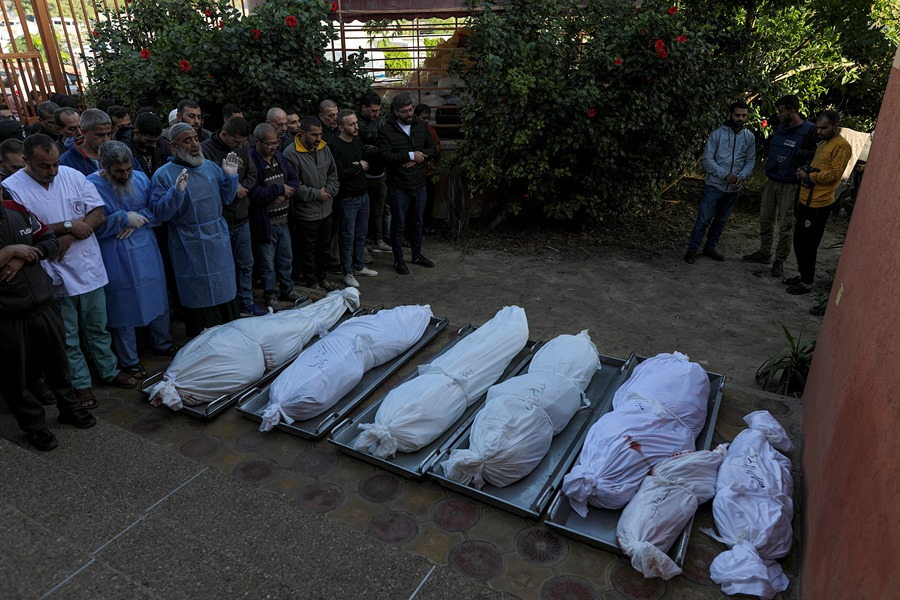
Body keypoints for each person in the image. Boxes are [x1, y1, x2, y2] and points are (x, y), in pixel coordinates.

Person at [3, 134, 139, 409]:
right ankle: (81, 385)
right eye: (44, 166)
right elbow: (28, 230)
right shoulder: (11, 188)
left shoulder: (72, 174)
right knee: (68, 337)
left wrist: (67, 236)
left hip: (89, 267)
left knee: (97, 328)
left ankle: (109, 371)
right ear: (25, 160)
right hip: (52, 271)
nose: (52, 171)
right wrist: (68, 225)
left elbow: (97, 212)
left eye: (54, 164)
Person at [0, 198, 96, 450]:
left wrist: (26, 255)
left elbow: (49, 240)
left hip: (43, 303)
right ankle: (34, 426)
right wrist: (9, 252)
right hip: (7, 315)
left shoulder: (15, 209)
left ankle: (69, 408)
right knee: (14, 376)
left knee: (58, 361)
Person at [87, 142, 186, 377]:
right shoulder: (90, 185)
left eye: (128, 169)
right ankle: (129, 359)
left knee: (157, 298)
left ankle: (162, 344)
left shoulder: (141, 179)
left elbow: (157, 212)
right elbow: (91, 226)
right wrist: (120, 219)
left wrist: (172, 195)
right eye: (118, 171)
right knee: (123, 307)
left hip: (146, 250)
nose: (125, 175)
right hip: (114, 254)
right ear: (104, 166)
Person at [150, 123, 241, 336]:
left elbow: (226, 199)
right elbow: (159, 213)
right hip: (187, 243)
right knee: (198, 296)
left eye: (196, 139)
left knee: (225, 291)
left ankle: (234, 338)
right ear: (173, 146)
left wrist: (230, 178)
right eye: (187, 140)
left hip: (218, 240)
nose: (194, 144)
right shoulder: (163, 175)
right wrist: (176, 193)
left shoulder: (210, 167)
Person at [743, 95, 818, 277]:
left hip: (791, 185)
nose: (778, 115)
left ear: (792, 111)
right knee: (765, 219)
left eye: (781, 111)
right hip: (772, 180)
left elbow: (814, 156)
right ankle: (764, 252)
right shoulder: (782, 128)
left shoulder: (810, 131)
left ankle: (780, 260)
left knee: (786, 224)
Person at [782, 110, 852, 295]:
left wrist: (809, 175)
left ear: (835, 126)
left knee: (808, 244)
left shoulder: (842, 146)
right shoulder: (822, 144)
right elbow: (819, 167)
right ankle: (803, 275)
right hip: (806, 198)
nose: (819, 131)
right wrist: (804, 171)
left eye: (824, 128)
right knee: (798, 241)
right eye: (818, 127)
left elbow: (834, 175)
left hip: (820, 203)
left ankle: (807, 282)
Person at [201, 116, 263, 316]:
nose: (239, 147)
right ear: (224, 134)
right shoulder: (206, 150)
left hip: (242, 216)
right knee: (223, 267)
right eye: (236, 142)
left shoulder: (242, 147)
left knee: (246, 264)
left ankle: (247, 302)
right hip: (221, 221)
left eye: (242, 143)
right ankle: (229, 307)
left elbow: (253, 173)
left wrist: (243, 187)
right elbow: (205, 187)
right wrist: (229, 187)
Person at [684, 101, 756, 264]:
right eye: (737, 115)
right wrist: (724, 175)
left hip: (733, 189)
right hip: (714, 186)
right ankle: (692, 250)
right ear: (730, 114)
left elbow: (750, 160)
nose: (740, 118)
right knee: (703, 219)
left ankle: (710, 247)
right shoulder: (717, 134)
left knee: (721, 221)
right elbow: (707, 160)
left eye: (744, 115)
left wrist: (742, 176)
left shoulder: (749, 137)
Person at [378, 92, 437, 274]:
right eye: (404, 111)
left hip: (419, 184)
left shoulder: (421, 126)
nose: (409, 114)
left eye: (410, 110)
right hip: (398, 186)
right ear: (395, 112)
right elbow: (385, 155)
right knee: (399, 224)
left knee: (418, 222)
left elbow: (432, 148)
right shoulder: (386, 130)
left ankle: (417, 255)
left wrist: (418, 158)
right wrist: (410, 155)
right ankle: (398, 260)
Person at [248, 123, 302, 309]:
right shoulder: (251, 161)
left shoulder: (279, 156)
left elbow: (295, 180)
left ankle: (287, 289)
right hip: (265, 223)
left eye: (276, 142)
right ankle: (270, 293)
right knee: (267, 263)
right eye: (269, 143)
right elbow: (253, 193)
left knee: (286, 258)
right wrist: (279, 190)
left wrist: (287, 192)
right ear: (257, 142)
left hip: (284, 220)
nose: (274, 147)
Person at [283, 115, 340, 291]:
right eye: (314, 135)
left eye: (320, 134)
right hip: (306, 213)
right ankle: (311, 281)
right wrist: (316, 194)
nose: (318, 138)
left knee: (324, 247)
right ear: (302, 133)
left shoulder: (325, 149)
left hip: (326, 209)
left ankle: (322, 278)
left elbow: (333, 175)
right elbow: (292, 185)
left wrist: (329, 192)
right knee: (308, 249)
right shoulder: (290, 153)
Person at [332, 109, 378, 288]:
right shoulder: (335, 146)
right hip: (347, 199)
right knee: (347, 236)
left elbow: (361, 165)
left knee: (361, 234)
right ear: (340, 127)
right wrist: (358, 167)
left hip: (363, 195)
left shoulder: (357, 142)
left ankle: (359, 265)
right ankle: (348, 272)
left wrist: (357, 166)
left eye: (356, 122)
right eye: (351, 124)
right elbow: (340, 173)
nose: (356, 126)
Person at [357, 92, 391, 253]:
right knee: (364, 212)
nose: (376, 114)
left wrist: (378, 150)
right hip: (364, 175)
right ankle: (365, 243)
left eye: (378, 111)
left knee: (379, 209)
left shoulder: (378, 122)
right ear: (363, 108)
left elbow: (385, 146)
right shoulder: (356, 124)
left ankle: (378, 239)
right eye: (373, 111)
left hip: (379, 173)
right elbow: (363, 149)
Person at [59, 108, 114, 176]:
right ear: (84, 132)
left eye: (109, 134)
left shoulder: (119, 154)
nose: (106, 139)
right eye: (100, 135)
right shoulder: (67, 161)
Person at [414, 103, 442, 234]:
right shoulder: (411, 130)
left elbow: (436, 147)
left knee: (427, 201)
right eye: (423, 118)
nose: (425, 121)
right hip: (415, 174)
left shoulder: (429, 130)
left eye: (427, 119)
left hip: (427, 172)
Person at [117, 112, 171, 177]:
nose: (154, 145)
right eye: (149, 141)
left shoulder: (163, 144)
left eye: (156, 141)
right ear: (137, 133)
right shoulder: (122, 150)